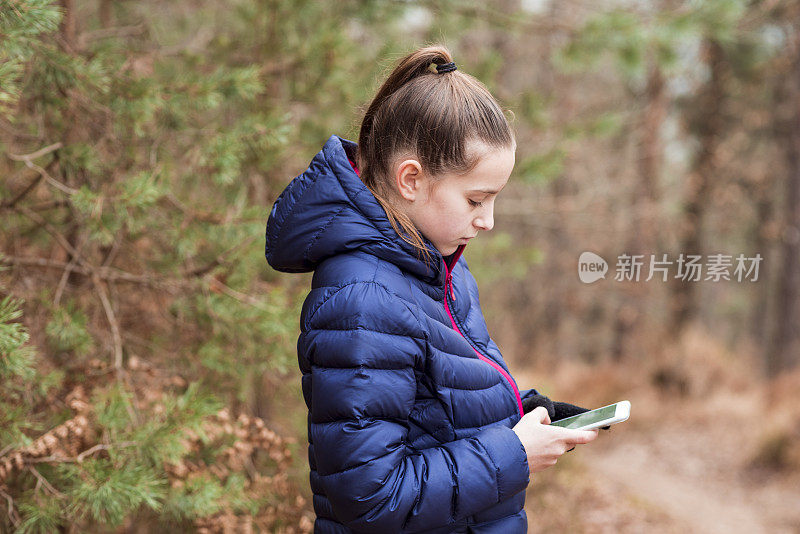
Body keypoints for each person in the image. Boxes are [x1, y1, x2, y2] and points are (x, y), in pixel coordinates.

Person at [264, 45, 599, 534]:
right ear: (411, 180)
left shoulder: (441, 270)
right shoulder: (361, 299)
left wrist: (528, 411)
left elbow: (434, 402)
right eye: (476, 200)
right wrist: (514, 453)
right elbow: (372, 499)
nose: (487, 222)